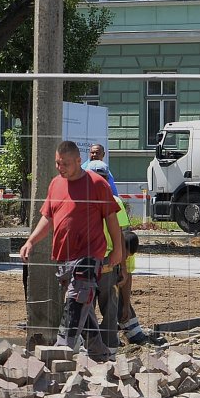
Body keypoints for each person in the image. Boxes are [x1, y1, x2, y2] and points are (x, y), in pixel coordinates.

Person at [20, 140, 123, 351]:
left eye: (65, 163)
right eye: (58, 163)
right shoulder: (55, 184)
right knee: (83, 306)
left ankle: (61, 348)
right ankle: (99, 352)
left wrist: (118, 249)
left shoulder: (97, 184)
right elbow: (48, 218)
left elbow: (112, 219)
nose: (60, 168)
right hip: (64, 257)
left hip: (89, 254)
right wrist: (31, 241)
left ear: (78, 161)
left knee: (77, 297)